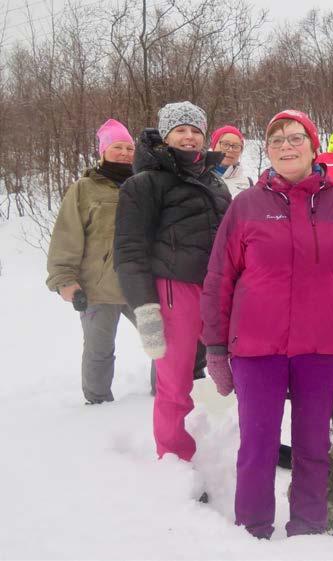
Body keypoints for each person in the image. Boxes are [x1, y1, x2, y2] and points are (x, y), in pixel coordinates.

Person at [200, 109, 333, 539]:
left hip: (321, 349)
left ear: (314, 146)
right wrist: (215, 348)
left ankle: (308, 529)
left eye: (295, 137)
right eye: (276, 138)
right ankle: (252, 531)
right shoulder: (246, 206)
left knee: (313, 447)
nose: (285, 144)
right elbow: (219, 280)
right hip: (256, 348)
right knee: (258, 448)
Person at [114, 101, 231, 462]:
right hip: (173, 290)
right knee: (175, 381)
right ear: (165, 136)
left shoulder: (214, 181)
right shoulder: (145, 183)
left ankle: (243, 441)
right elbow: (129, 248)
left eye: (196, 130)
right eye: (180, 129)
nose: (189, 136)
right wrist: (145, 309)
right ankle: (175, 457)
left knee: (238, 368)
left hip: (219, 289)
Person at [46, 119, 136, 404]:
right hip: (99, 288)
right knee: (99, 350)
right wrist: (65, 281)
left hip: (140, 286)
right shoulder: (84, 189)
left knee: (162, 342)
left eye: (129, 148)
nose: (124, 153)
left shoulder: (143, 185)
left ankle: (161, 396)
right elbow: (66, 236)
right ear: (103, 151)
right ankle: (97, 404)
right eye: (117, 147)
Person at [210, 125, 251, 192]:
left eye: (236, 146)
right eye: (225, 144)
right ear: (214, 146)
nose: (230, 149)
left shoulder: (248, 185)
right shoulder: (198, 178)